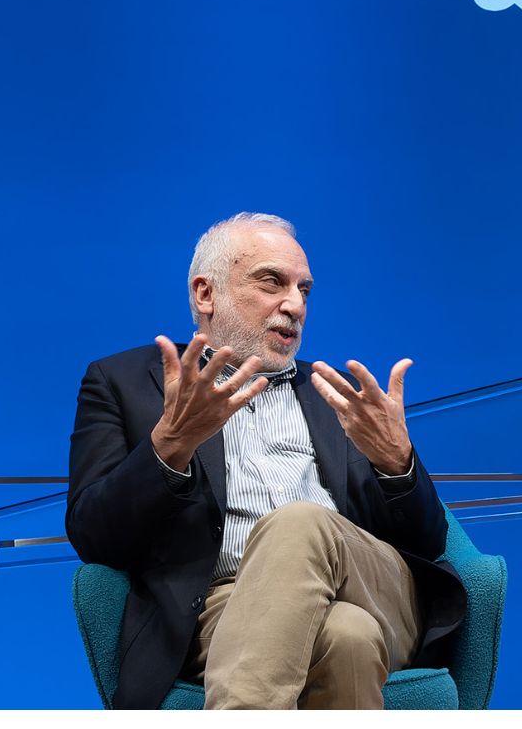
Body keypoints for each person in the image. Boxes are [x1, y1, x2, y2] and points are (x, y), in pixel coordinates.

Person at [67, 212, 465, 709]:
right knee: (347, 637)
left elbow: (427, 541)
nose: (295, 305)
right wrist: (168, 448)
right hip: (221, 604)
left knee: (300, 524)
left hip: (375, 589)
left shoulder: (335, 394)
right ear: (205, 294)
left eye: (305, 290)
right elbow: (93, 536)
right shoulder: (123, 382)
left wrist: (397, 465)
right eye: (272, 282)